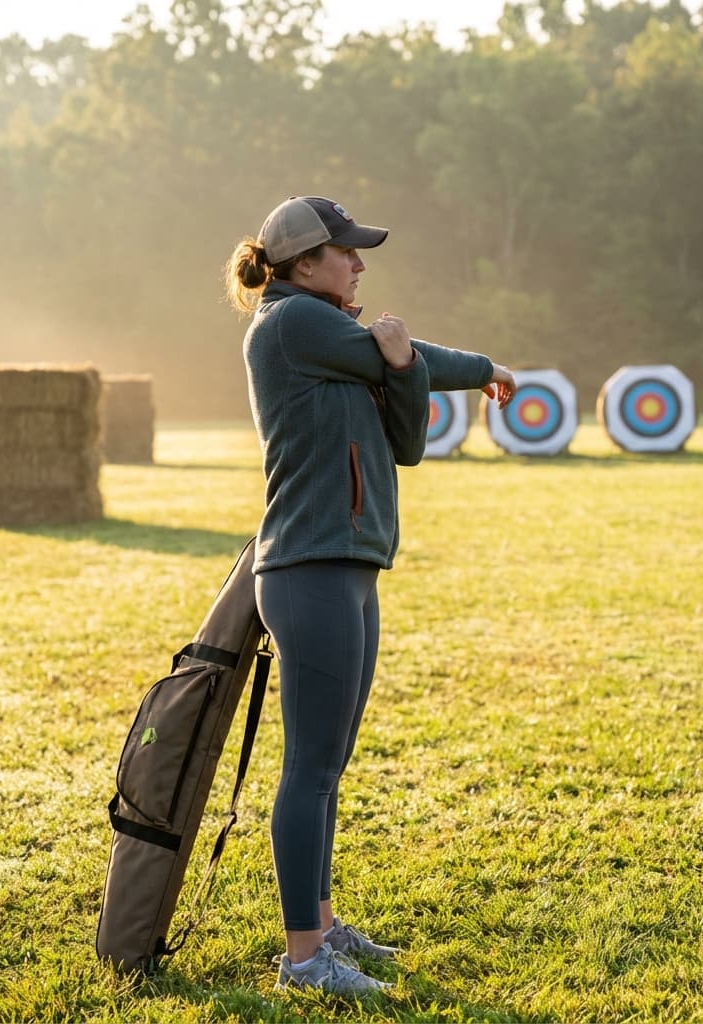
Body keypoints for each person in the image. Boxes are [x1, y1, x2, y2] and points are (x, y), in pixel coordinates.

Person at [224, 196, 516, 996]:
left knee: (330, 764)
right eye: (346, 253)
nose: (359, 264)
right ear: (303, 263)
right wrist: (475, 364)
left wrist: (404, 365)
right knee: (311, 767)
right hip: (310, 569)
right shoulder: (292, 323)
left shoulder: (338, 337)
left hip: (347, 569)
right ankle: (303, 960)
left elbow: (407, 443)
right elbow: (404, 350)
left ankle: (322, 924)